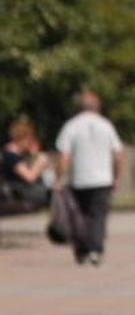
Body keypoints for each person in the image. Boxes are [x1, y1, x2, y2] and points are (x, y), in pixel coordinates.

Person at [55, 88, 123, 266]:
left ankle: (83, 250)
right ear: (97, 106)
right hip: (102, 179)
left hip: (79, 179)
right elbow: (118, 154)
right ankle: (96, 250)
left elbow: (64, 155)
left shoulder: (71, 126)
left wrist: (60, 177)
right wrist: (117, 177)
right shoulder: (106, 125)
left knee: (79, 216)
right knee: (98, 216)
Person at [2, 118, 52, 210]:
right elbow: (30, 177)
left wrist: (35, 155)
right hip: (23, 194)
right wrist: (40, 162)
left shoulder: (18, 154)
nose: (30, 143)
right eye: (30, 139)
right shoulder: (11, 156)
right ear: (22, 138)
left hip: (28, 192)